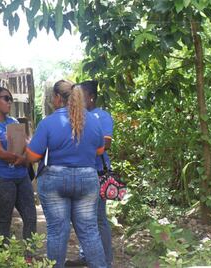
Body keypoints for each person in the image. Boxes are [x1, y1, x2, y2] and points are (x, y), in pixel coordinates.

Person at [26, 80, 107, 268]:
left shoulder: (49, 122)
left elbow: (32, 155)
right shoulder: (93, 121)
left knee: (57, 231)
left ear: (56, 98)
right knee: (89, 231)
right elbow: (100, 150)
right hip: (87, 178)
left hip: (55, 179)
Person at [0, 86, 37, 261]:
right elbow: (2, 155)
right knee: (4, 221)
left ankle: (28, 258)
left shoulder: (12, 121)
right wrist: (23, 158)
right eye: (6, 98)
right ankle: (3, 260)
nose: (9, 102)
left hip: (21, 177)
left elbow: (27, 146)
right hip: (1, 179)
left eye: (10, 99)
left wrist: (26, 155)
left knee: (30, 216)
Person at [65, 80, 114, 268]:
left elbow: (106, 143)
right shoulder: (77, 116)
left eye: (81, 94)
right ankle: (86, 255)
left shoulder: (101, 116)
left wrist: (81, 151)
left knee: (99, 218)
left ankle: (106, 260)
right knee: (82, 218)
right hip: (80, 173)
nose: (76, 98)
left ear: (91, 97)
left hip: (97, 173)